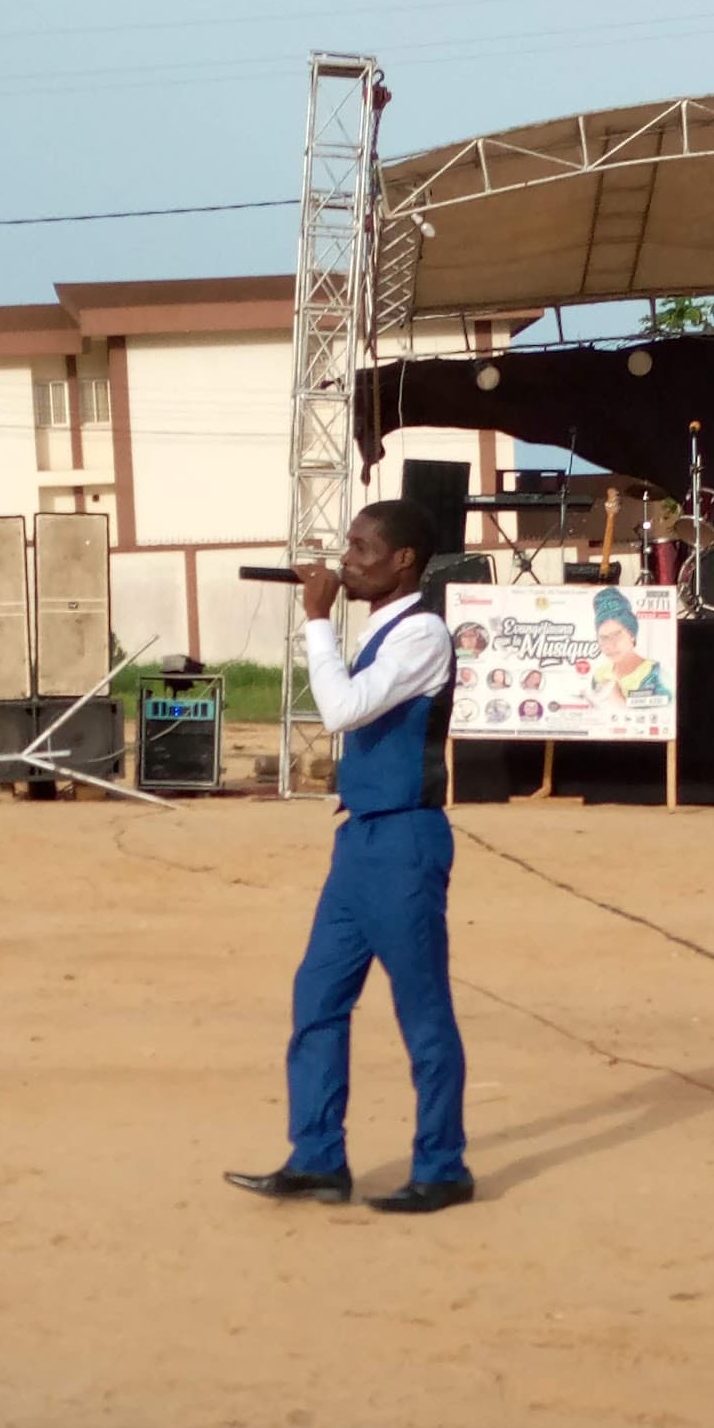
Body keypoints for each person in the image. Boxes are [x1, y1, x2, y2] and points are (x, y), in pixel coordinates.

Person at [225, 500, 474, 1214]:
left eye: (363, 548)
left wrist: (314, 620)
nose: (347, 561)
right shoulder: (381, 630)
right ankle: (317, 1158)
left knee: (421, 1008)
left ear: (404, 560)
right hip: (361, 839)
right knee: (318, 998)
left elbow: (340, 709)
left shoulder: (422, 634)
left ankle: (443, 1167)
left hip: (404, 841)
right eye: (348, 546)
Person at [590, 586, 672, 704]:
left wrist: (620, 700)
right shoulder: (599, 676)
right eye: (603, 637)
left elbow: (667, 709)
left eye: (616, 635)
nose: (610, 645)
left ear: (632, 634)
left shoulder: (655, 675)